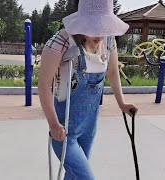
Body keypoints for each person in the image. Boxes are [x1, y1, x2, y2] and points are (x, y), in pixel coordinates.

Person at [38, 0, 138, 179]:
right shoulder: (61, 42)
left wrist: (122, 103)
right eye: (93, 27)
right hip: (64, 130)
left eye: (103, 26)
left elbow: (113, 72)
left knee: (74, 176)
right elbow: (44, 85)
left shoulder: (108, 42)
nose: (99, 33)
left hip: (89, 126)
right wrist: (53, 124)